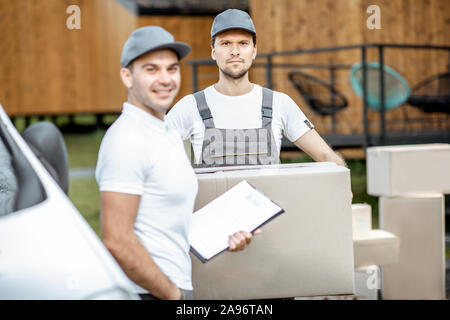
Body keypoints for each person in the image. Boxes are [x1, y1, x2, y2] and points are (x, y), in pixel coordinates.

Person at [95, 26, 256, 300]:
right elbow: (116, 239)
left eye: (171, 69)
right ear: (127, 76)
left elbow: (167, 216)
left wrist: (226, 232)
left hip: (174, 284)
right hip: (148, 291)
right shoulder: (127, 140)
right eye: (151, 69)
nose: (165, 79)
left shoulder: (165, 132)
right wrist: (171, 293)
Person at [166, 9, 347, 168]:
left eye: (243, 43)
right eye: (226, 43)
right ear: (214, 52)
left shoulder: (278, 103)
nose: (235, 51)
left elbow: (325, 156)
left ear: (254, 51)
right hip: (213, 207)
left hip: (270, 207)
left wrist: (343, 187)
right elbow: (152, 156)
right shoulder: (190, 107)